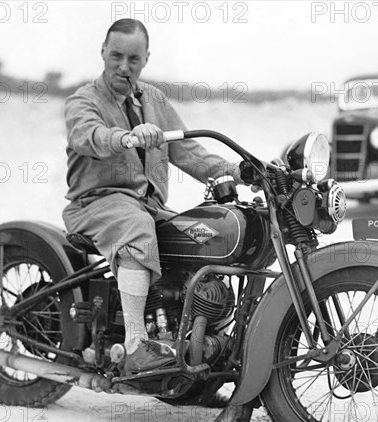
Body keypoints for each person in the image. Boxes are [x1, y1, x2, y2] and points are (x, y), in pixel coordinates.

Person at [62, 19, 244, 374]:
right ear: (103, 52)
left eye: (133, 58)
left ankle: (191, 340)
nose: (123, 66)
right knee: (137, 226)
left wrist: (241, 170)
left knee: (200, 233)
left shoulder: (155, 101)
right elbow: (89, 136)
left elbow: (188, 152)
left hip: (146, 206)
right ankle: (134, 343)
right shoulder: (83, 100)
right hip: (96, 204)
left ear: (146, 58)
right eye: (116, 56)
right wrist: (126, 137)